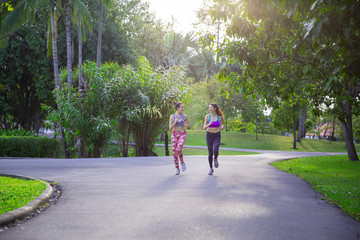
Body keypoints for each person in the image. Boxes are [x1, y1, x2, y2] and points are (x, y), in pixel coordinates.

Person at [203, 103, 224, 175]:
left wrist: (222, 127)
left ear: (215, 108)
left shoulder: (219, 117)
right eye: (209, 107)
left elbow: (223, 124)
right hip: (209, 135)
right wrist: (209, 124)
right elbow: (204, 127)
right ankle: (211, 168)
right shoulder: (207, 116)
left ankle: (215, 159)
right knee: (210, 153)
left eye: (211, 107)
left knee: (215, 150)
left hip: (217, 135)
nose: (209, 109)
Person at [169, 102, 189, 175]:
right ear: (177, 108)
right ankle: (177, 168)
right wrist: (175, 122)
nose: (183, 108)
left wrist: (186, 125)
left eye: (183, 107)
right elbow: (170, 128)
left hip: (182, 134)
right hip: (174, 134)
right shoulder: (172, 116)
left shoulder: (185, 116)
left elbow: (188, 125)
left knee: (178, 149)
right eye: (181, 107)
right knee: (174, 151)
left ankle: (182, 162)